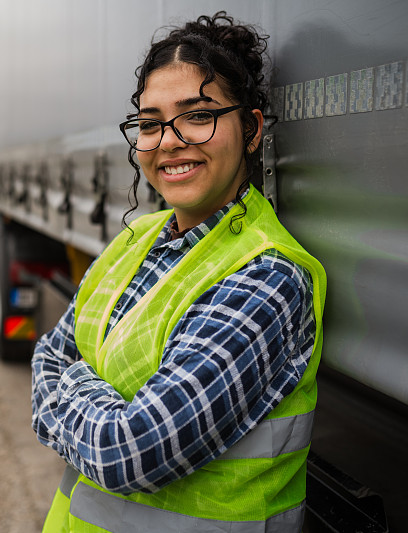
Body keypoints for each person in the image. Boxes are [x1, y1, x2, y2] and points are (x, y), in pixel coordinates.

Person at [32, 11, 327, 533]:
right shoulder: (136, 240)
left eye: (197, 115)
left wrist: (67, 388)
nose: (168, 141)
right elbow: (46, 357)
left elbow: (131, 452)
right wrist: (98, 410)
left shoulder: (267, 277)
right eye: (149, 123)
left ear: (252, 129)